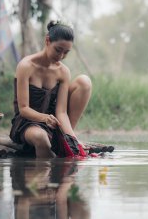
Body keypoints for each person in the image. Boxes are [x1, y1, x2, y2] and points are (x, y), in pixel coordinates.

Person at [9, 20, 92, 158]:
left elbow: (61, 112)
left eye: (66, 52)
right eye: (58, 50)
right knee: (41, 139)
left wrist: (73, 140)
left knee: (84, 81)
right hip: (27, 123)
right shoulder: (26, 66)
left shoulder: (63, 71)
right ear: (47, 41)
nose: (61, 56)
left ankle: (64, 141)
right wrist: (45, 118)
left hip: (54, 123)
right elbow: (23, 109)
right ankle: (41, 177)